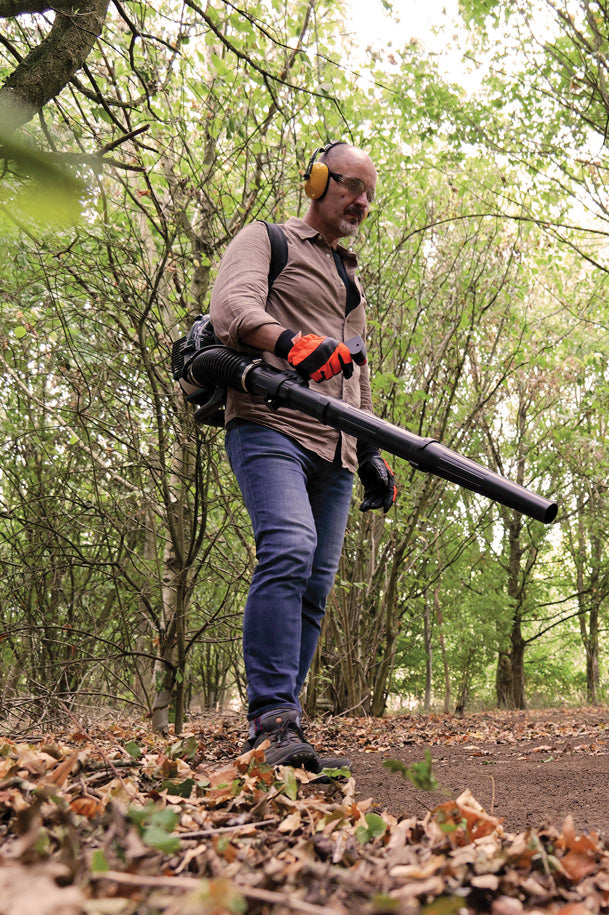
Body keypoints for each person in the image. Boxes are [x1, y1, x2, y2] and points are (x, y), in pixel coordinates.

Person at [208, 140, 396, 770]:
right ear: (317, 180)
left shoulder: (351, 281)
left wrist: (371, 451)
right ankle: (270, 722)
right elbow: (232, 309)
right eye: (350, 186)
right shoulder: (266, 241)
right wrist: (289, 343)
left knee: (315, 585)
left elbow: (358, 377)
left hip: (337, 452)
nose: (361, 202)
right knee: (287, 548)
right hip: (270, 425)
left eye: (369, 194)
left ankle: (287, 726)